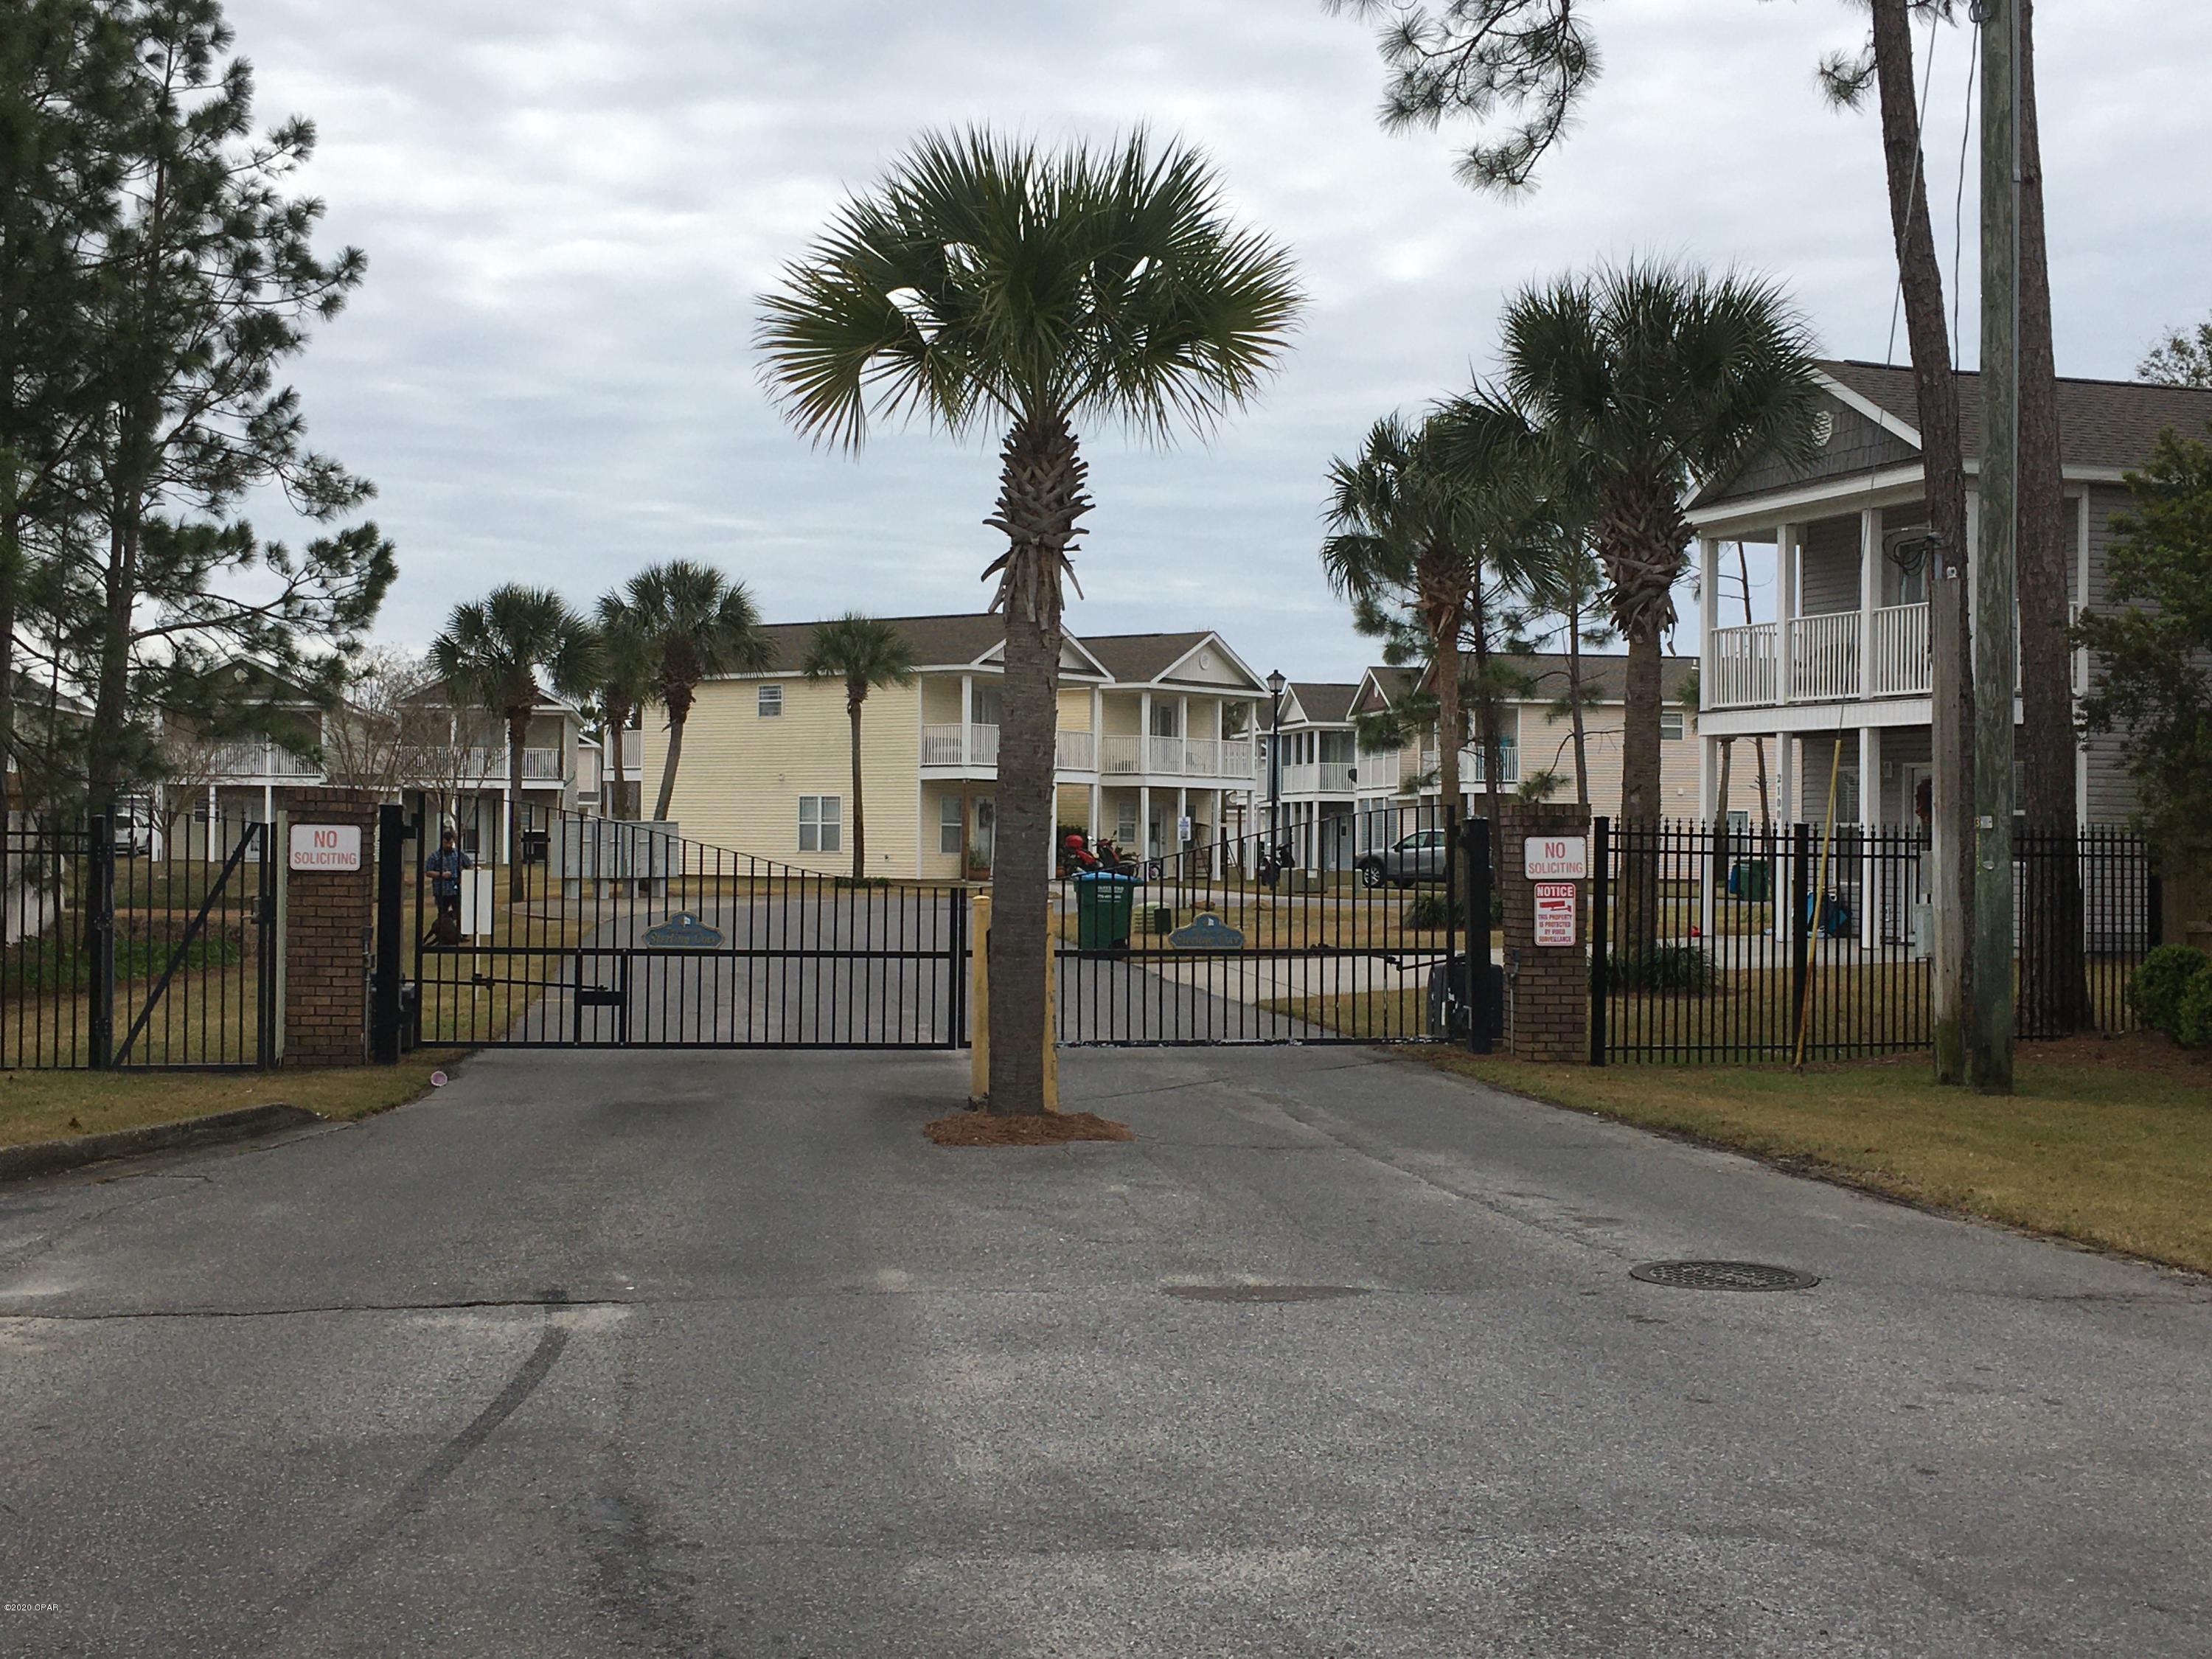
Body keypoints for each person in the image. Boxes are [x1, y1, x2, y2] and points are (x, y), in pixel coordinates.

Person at [426, 827, 473, 945]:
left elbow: (469, 865)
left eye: (450, 842)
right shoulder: (435, 856)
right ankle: (444, 935)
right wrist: (441, 875)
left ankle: (460, 934)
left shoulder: (458, 854)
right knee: (443, 914)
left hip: (455, 889)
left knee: (459, 913)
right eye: (446, 843)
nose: (448, 845)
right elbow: (428, 872)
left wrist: (463, 876)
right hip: (441, 890)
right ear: (442, 842)